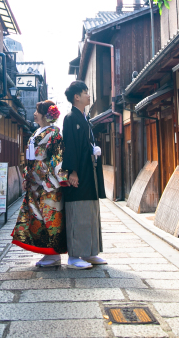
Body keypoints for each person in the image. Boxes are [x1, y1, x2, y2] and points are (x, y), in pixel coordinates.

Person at [11, 100, 67, 266]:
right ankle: (47, 253)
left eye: (37, 111)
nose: (34, 114)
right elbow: (29, 159)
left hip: (48, 184)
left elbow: (58, 158)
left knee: (50, 218)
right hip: (34, 184)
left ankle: (54, 255)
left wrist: (62, 179)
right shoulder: (38, 132)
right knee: (38, 219)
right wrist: (25, 176)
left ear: (46, 115)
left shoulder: (54, 133)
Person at [61, 80, 107, 269]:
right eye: (85, 92)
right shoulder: (70, 118)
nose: (89, 95)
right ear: (76, 97)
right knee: (77, 212)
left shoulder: (84, 118)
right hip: (78, 171)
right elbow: (70, 146)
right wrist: (72, 171)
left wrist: (93, 148)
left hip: (89, 171)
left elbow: (84, 143)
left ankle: (89, 252)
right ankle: (74, 256)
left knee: (90, 210)